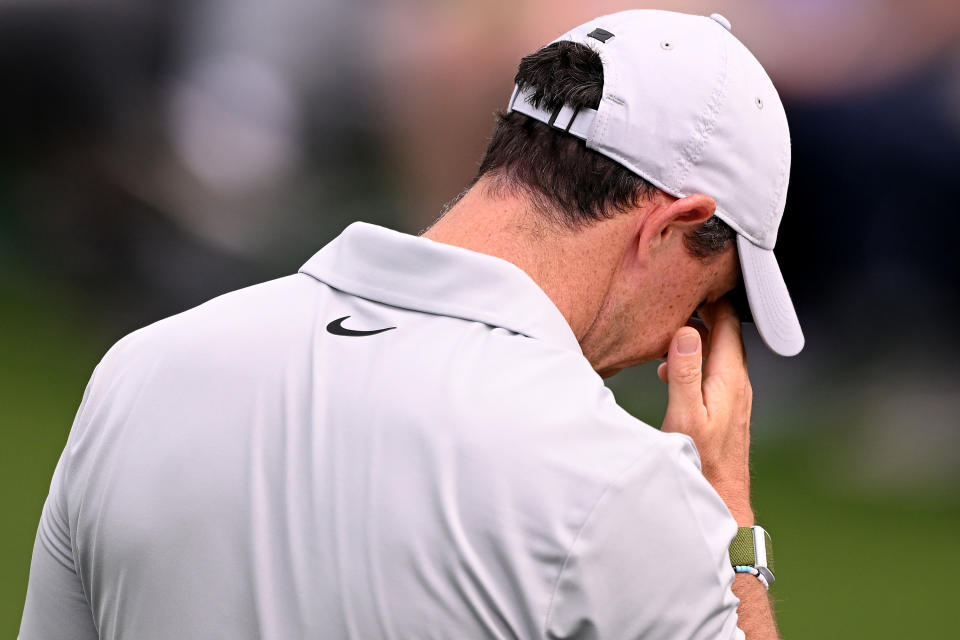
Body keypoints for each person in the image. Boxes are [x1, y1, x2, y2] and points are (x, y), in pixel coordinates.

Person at [20, 9, 802, 640]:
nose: (682, 344)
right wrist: (726, 511)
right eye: (706, 303)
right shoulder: (623, 482)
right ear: (672, 224)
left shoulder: (145, 370)